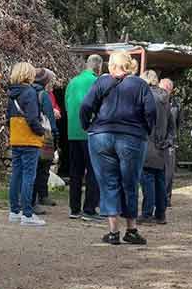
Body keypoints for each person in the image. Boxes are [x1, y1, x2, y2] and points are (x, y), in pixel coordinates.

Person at [80, 51, 156, 246]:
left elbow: (86, 106)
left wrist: (87, 126)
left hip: (101, 136)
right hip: (132, 138)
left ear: (111, 65)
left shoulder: (101, 82)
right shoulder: (140, 85)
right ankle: (131, 229)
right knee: (130, 182)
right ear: (129, 65)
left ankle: (113, 231)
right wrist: (145, 130)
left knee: (108, 183)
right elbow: (150, 111)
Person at [6, 62, 48, 227]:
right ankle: (27, 214)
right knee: (29, 176)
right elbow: (32, 118)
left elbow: (8, 118)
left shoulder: (12, 93)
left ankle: (14, 211)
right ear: (28, 75)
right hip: (29, 139)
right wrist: (41, 131)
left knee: (16, 174)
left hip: (16, 138)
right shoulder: (30, 92)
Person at [65, 55, 103, 220]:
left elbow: (67, 106)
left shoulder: (72, 82)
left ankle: (74, 209)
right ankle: (89, 209)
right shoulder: (97, 82)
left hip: (73, 132)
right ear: (99, 67)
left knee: (75, 172)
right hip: (90, 132)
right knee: (93, 171)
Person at [139, 70, 174, 225]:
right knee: (159, 179)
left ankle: (147, 213)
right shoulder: (166, 98)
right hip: (162, 144)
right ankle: (161, 214)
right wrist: (168, 139)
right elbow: (172, 124)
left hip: (147, 141)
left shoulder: (145, 96)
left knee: (147, 179)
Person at [31, 68, 60, 214]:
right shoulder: (44, 95)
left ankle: (38, 197)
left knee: (35, 167)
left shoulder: (28, 92)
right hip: (44, 133)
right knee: (43, 165)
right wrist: (55, 134)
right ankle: (40, 197)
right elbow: (50, 116)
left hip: (30, 133)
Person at [159, 78, 180, 205]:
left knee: (168, 172)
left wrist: (172, 138)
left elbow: (177, 124)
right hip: (156, 140)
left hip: (170, 141)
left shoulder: (175, 105)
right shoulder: (155, 101)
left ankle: (166, 198)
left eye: (167, 89)